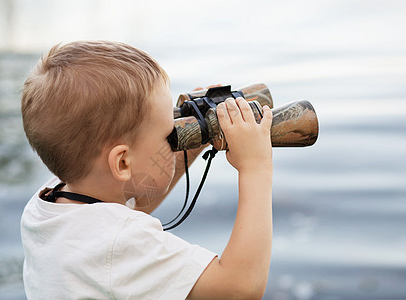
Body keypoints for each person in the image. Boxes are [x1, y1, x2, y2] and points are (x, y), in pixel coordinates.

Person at [20, 40, 273, 299]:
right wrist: (255, 167)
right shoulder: (118, 243)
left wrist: (195, 140)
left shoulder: (49, 204)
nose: (177, 134)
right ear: (122, 162)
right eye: (170, 133)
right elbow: (240, 287)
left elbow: (130, 197)